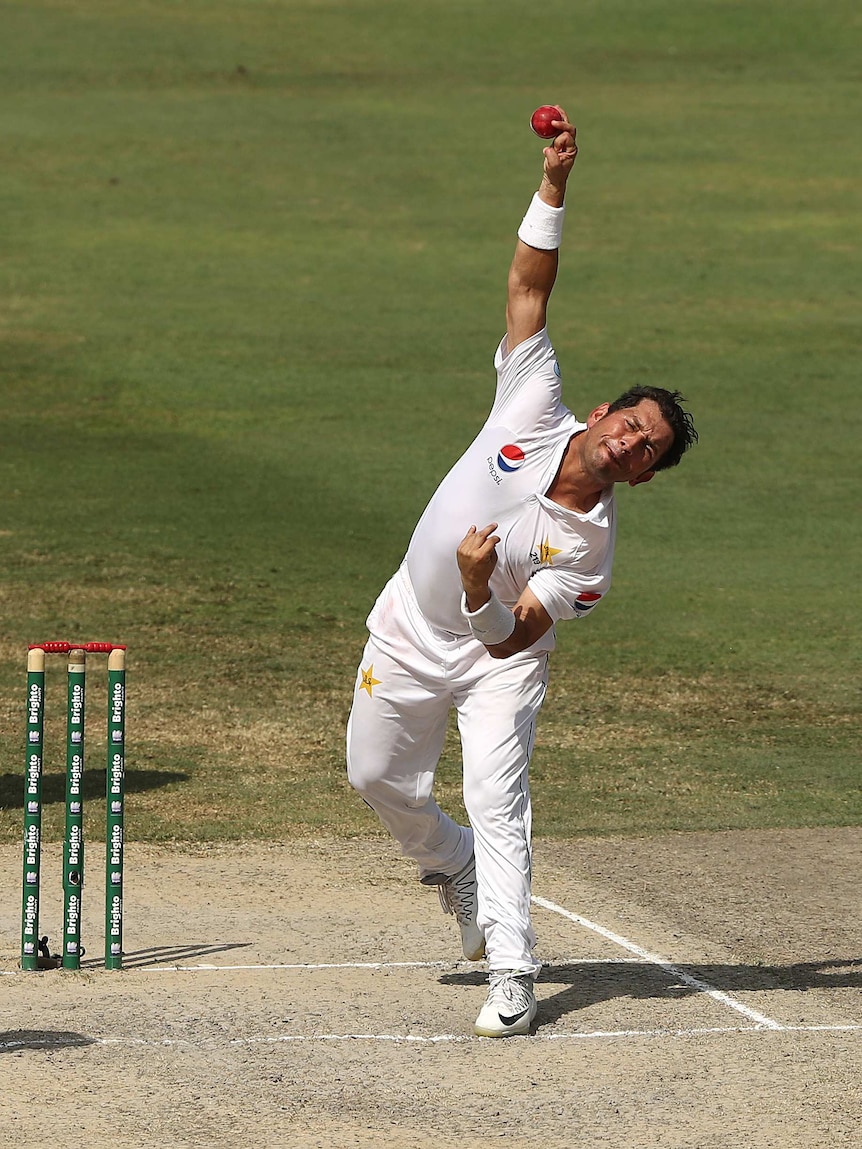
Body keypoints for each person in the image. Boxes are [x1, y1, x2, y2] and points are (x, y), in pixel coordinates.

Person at [346, 110, 697, 1038]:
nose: (629, 443)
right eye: (630, 423)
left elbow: (515, 633)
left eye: (647, 449)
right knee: (375, 774)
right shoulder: (533, 396)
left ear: (647, 476)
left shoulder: (588, 553)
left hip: (495, 660)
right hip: (408, 629)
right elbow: (526, 286)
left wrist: (476, 592)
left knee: (496, 795)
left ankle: (513, 967)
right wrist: (554, 184)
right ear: (601, 410)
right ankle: (448, 867)